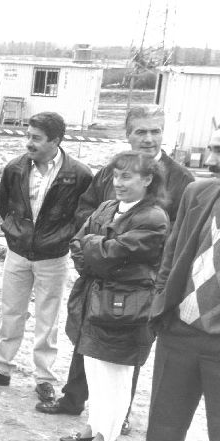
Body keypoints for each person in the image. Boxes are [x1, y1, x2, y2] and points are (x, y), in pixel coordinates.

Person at [37, 105, 194, 422]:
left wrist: (141, 260)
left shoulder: (182, 179)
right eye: (141, 131)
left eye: (155, 131)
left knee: (125, 348)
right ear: (127, 133)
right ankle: (73, 400)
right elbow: (86, 212)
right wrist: (98, 251)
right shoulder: (112, 171)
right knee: (87, 335)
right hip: (98, 274)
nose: (148, 139)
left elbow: (181, 233)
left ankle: (116, 416)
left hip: (140, 281)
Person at [105, 131, 220, 441]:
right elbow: (173, 251)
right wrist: (162, 302)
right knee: (166, 411)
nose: (216, 156)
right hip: (181, 325)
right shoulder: (201, 193)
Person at [0, 112, 93, 403]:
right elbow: (5, 206)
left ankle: (44, 379)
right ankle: (1, 368)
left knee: (47, 317)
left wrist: (61, 238)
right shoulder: (15, 168)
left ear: (55, 140)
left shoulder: (79, 174)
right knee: (10, 311)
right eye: (28, 136)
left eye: (36, 138)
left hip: (53, 257)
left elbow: (83, 215)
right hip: (17, 253)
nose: (29, 142)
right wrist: (16, 233)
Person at [61, 151, 168, 441]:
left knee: (116, 376)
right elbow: (77, 243)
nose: (118, 183)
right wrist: (97, 250)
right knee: (94, 367)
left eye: (127, 176)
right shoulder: (108, 207)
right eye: (115, 176)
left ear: (147, 180)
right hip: (95, 299)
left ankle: (107, 438)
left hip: (125, 308)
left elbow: (109, 254)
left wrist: (94, 248)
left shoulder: (153, 218)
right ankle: (94, 427)